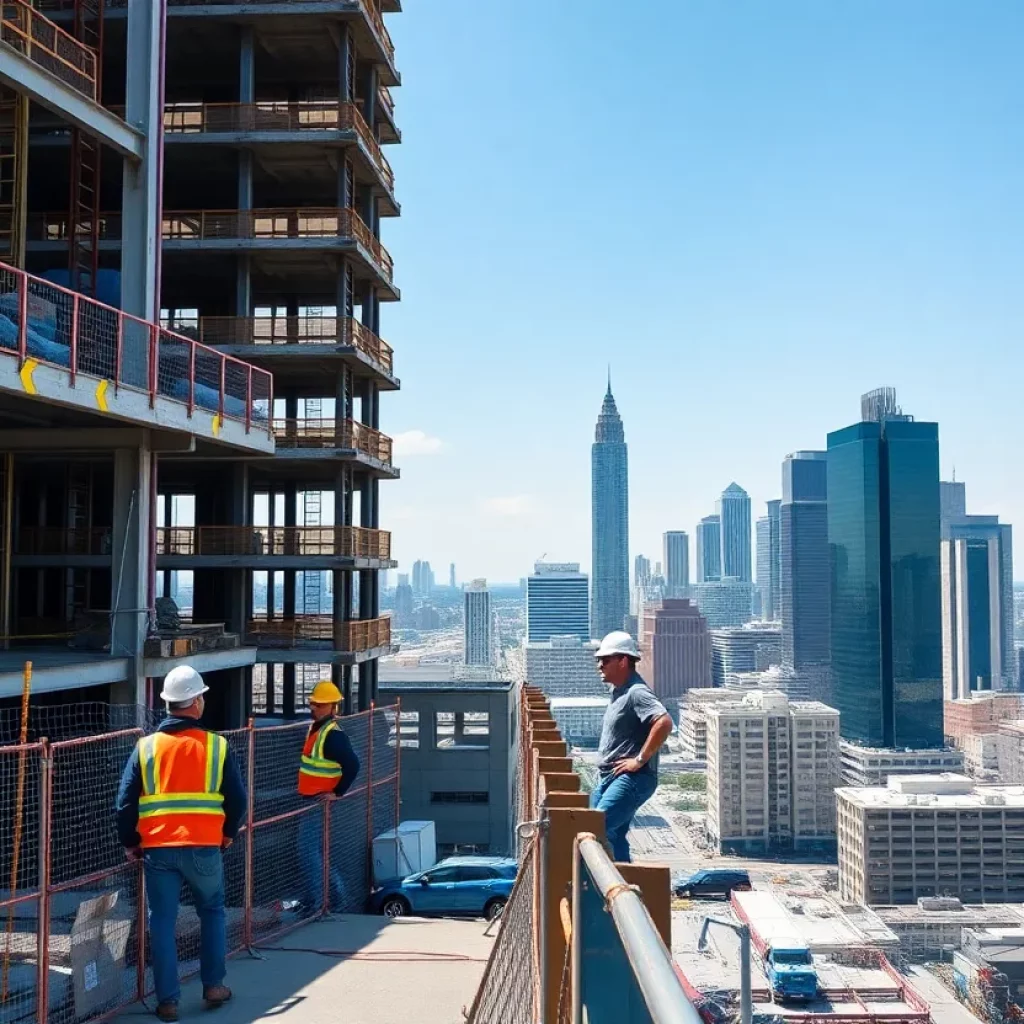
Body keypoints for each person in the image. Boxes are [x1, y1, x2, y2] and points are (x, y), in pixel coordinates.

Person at [115, 665, 247, 1023]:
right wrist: (228, 833)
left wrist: (131, 842)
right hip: (205, 847)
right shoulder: (217, 746)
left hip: (157, 850)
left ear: (170, 704)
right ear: (196, 702)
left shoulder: (146, 747)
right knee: (212, 912)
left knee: (161, 922)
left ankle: (168, 1002)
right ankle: (214, 986)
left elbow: (125, 802)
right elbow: (237, 800)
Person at [590, 630, 673, 863]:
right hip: (610, 777)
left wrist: (639, 760)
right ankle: (621, 884)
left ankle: (608, 892)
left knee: (595, 828)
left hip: (631, 779)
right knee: (612, 836)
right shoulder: (619, 692)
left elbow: (664, 722)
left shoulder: (637, 692)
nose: (600, 665)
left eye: (605, 660)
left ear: (623, 661)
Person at [297, 680, 360, 914]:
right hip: (312, 800)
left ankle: (320, 902)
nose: (315, 708)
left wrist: (337, 793)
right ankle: (329, 898)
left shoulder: (332, 735)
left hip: (319, 802)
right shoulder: (318, 730)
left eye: (320, 705)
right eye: (314, 704)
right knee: (314, 852)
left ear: (333, 708)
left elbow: (353, 765)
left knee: (308, 852)